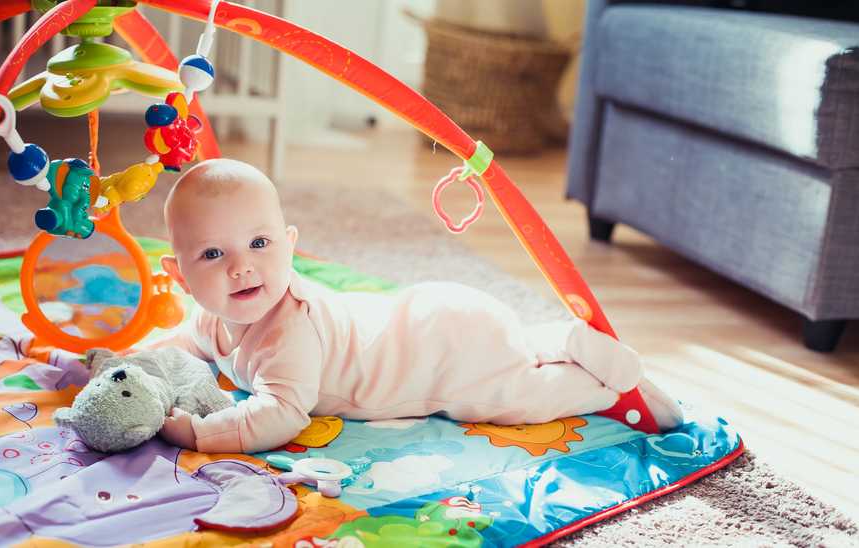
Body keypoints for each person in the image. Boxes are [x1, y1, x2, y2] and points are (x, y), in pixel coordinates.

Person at [153, 159, 682, 453]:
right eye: (213, 253)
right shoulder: (209, 318)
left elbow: (281, 415)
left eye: (260, 244)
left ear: (290, 244)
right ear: (179, 276)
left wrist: (200, 434)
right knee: (512, 346)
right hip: (431, 312)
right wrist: (129, 368)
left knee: (518, 397)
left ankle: (607, 387)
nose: (241, 267)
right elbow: (182, 343)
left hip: (439, 359)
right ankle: (556, 338)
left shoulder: (289, 331)